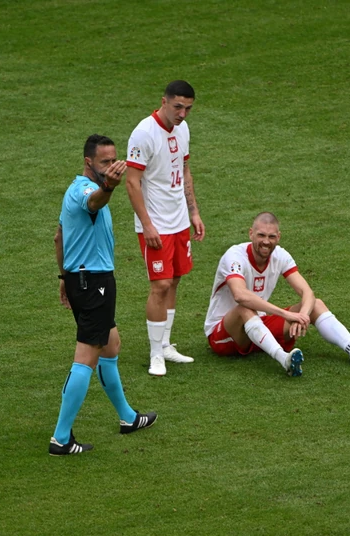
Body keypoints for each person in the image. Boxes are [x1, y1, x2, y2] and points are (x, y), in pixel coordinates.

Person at [49, 134, 157, 456]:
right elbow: (95, 202)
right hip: (94, 282)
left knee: (111, 344)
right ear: (88, 163)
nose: (111, 166)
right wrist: (108, 187)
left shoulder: (70, 189)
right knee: (86, 357)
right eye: (104, 162)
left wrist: (64, 277)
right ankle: (61, 438)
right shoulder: (86, 191)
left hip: (81, 280)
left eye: (114, 160)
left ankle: (127, 417)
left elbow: (59, 238)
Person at [204, 212, 350, 376]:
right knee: (244, 308)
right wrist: (286, 314)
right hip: (223, 334)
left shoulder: (281, 255)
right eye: (261, 235)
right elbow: (240, 295)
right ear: (251, 233)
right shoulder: (235, 256)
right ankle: (284, 359)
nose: (266, 242)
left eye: (271, 236)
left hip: (257, 328)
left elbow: (307, 292)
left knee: (315, 304)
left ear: (278, 237)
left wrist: (303, 316)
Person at [125, 80, 205, 377]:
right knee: (160, 285)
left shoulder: (183, 129)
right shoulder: (144, 133)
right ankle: (155, 354)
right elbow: (132, 183)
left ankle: (167, 344)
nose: (182, 114)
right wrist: (147, 225)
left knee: (174, 280)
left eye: (188, 108)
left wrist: (193, 211)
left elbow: (184, 170)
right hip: (156, 224)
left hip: (179, 221)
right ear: (164, 101)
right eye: (178, 107)